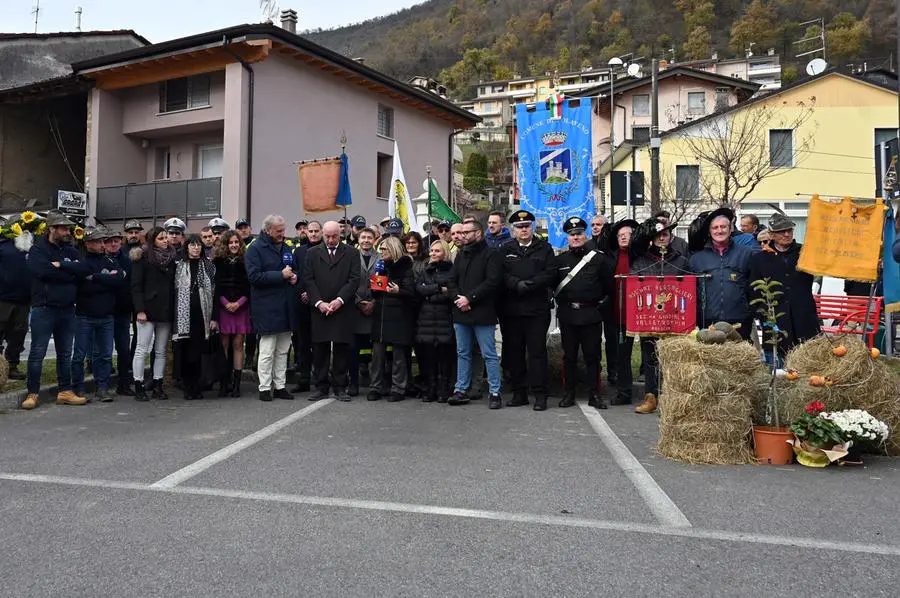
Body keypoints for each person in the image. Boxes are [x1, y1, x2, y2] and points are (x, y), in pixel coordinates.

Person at [21, 212, 92, 410]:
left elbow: (84, 270)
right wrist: (70, 272)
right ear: (52, 229)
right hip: (44, 308)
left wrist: (62, 266)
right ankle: (33, 393)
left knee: (65, 353)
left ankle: (65, 391)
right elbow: (42, 271)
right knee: (37, 353)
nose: (67, 232)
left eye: (68, 229)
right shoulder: (38, 249)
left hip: (67, 309)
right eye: (63, 228)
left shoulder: (71, 250)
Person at [628, 218, 691, 415]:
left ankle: (672, 398)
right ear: (652, 239)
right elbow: (633, 283)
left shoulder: (682, 260)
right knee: (650, 358)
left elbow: (690, 286)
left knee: (673, 359)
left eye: (665, 234)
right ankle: (651, 396)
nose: (662, 238)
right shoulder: (641, 261)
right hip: (650, 318)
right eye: (658, 235)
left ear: (671, 236)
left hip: (674, 319)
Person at [555, 217, 616, 409]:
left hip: (590, 315)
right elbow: (552, 286)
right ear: (567, 238)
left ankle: (594, 395)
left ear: (585, 235)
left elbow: (609, 288)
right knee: (569, 357)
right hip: (568, 315)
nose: (576, 237)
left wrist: (599, 306)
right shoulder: (560, 261)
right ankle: (568, 393)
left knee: (593, 356)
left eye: (579, 234)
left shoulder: (598, 259)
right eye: (572, 235)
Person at [500, 210, 555, 410]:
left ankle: (540, 395)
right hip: (512, 310)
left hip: (536, 309)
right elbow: (501, 274)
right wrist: (516, 284)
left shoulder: (544, 248)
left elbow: (550, 273)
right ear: (513, 231)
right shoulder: (505, 250)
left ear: (532, 228)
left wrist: (530, 284)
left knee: (537, 353)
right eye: (519, 227)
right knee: (514, 353)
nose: (523, 230)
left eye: (527, 226)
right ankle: (519, 393)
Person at [749, 212, 820, 366]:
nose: (787, 234)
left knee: (808, 367)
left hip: (804, 320)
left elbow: (828, 263)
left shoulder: (804, 253)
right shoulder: (759, 259)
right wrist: (764, 315)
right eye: (782, 231)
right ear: (772, 234)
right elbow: (754, 291)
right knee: (777, 369)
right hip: (775, 322)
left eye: (790, 230)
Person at [447, 219, 504, 408]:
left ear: (478, 233)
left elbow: (492, 282)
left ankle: (495, 392)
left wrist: (469, 298)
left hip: (482, 312)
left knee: (488, 354)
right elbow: (451, 280)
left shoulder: (491, 254)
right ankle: (461, 389)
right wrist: (458, 299)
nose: (461, 236)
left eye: (466, 232)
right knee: (462, 352)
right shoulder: (461, 255)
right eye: (461, 232)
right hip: (461, 311)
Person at [303, 220, 361, 401]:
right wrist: (319, 302)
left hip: (342, 308)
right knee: (320, 349)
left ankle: (340, 386)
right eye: (327, 236)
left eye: (334, 236)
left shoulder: (352, 253)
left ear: (340, 234)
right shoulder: (312, 253)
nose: (330, 240)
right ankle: (321, 386)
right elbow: (308, 279)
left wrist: (339, 300)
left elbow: (354, 280)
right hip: (320, 308)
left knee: (342, 348)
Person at [245, 215, 297, 402]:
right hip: (266, 307)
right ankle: (265, 387)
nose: (283, 233)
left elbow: (294, 268)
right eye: (279, 230)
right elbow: (254, 277)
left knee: (283, 349)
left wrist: (294, 276)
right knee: (267, 350)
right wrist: (280, 275)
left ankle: (280, 385)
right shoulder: (255, 249)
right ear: (268, 230)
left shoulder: (287, 247)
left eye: (283, 229)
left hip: (285, 307)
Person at [72, 227, 127, 402]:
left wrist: (95, 278)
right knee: (80, 355)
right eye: (97, 241)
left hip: (106, 315)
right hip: (85, 315)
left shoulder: (110, 261)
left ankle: (102, 388)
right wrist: (106, 280)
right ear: (88, 243)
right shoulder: (82, 263)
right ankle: (78, 388)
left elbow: (118, 280)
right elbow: (84, 287)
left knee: (104, 355)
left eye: (102, 241)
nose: (102, 244)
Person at [689, 207, 754, 337]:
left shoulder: (746, 254)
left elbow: (753, 287)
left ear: (731, 229)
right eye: (715, 228)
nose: (719, 231)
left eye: (723, 227)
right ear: (709, 232)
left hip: (739, 320)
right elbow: (692, 292)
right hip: (708, 321)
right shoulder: (697, 259)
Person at [368, 236, 417, 401]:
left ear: (393, 249)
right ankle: (376, 387)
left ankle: (398, 388)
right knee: (377, 355)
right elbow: (375, 292)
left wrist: (399, 291)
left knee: (398, 356)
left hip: (399, 316)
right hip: (381, 316)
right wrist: (377, 277)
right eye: (380, 249)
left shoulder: (405, 267)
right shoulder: (380, 267)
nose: (381, 252)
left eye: (384, 249)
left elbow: (412, 292)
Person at [130, 226, 176, 401]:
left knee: (161, 350)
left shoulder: (172, 259)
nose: (165, 241)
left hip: (165, 310)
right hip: (147, 310)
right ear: (152, 240)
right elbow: (136, 286)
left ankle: (158, 384)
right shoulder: (142, 258)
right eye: (161, 238)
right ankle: (139, 385)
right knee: (142, 348)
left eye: (166, 238)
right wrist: (140, 310)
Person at [173, 234, 218, 400]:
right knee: (185, 353)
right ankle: (187, 387)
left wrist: (214, 317)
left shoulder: (208, 266)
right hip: (183, 316)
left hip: (202, 315)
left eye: (198, 245)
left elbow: (214, 291)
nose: (196, 248)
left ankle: (197, 387)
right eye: (192, 245)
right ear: (187, 247)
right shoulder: (179, 266)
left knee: (197, 353)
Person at [415, 239, 456, 403]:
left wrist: (430, 292)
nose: (433, 254)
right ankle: (431, 387)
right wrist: (439, 288)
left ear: (444, 252)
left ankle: (443, 388)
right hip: (426, 319)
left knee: (444, 356)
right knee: (429, 356)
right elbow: (419, 289)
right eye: (431, 251)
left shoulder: (452, 271)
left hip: (444, 318)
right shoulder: (426, 270)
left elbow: (451, 292)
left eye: (437, 251)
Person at [213, 230, 252, 398]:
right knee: (224, 345)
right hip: (224, 308)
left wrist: (239, 303)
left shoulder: (246, 261)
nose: (234, 245)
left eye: (237, 242)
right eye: (231, 242)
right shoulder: (218, 262)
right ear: (226, 244)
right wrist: (226, 303)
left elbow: (249, 285)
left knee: (238, 344)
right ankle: (224, 383)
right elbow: (215, 287)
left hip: (241, 308)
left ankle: (236, 384)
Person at [607, 218, 639, 404]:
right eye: (620, 235)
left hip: (642, 312)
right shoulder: (612, 257)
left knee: (648, 353)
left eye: (628, 234)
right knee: (622, 355)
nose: (624, 238)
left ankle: (653, 392)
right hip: (619, 313)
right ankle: (624, 392)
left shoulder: (642, 255)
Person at [290, 220, 322, 393]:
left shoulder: (326, 250)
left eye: (316, 231)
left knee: (319, 344)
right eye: (310, 231)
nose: (313, 234)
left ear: (322, 232)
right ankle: (304, 379)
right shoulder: (299, 251)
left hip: (320, 303)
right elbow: (295, 274)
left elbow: (326, 277)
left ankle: (319, 379)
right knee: (302, 344)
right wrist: (303, 291)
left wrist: (313, 295)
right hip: (302, 304)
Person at [103, 229, 135, 396]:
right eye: (109, 241)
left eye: (116, 241)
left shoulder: (127, 260)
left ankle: (124, 384)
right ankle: (104, 385)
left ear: (121, 242)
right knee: (105, 351)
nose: (113, 244)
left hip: (122, 311)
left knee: (123, 349)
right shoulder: (100, 259)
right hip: (105, 311)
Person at [0, 214, 30, 382]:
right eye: (20, 226)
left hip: (23, 301)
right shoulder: (2, 245)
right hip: (2, 299)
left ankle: (12, 366)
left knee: (18, 334)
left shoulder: (30, 247)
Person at [350, 227, 379, 396]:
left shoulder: (380, 257)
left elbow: (381, 282)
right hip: (355, 309)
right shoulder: (350, 257)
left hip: (374, 310)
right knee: (353, 349)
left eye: (369, 237)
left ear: (374, 240)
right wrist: (359, 302)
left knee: (376, 351)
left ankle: (375, 384)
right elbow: (346, 281)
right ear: (358, 240)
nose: (366, 240)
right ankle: (353, 383)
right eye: (363, 237)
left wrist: (374, 302)